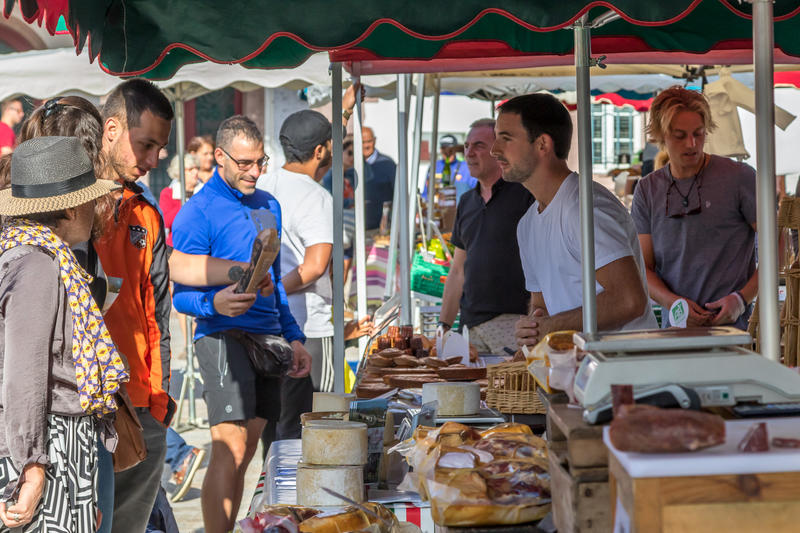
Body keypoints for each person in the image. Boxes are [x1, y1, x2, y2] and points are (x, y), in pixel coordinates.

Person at [171, 115, 312, 533]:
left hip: (267, 337)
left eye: (260, 162)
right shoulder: (196, 211)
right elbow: (178, 293)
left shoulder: (270, 205)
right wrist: (213, 301)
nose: (254, 171)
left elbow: (277, 279)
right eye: (244, 163)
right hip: (219, 334)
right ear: (219, 156)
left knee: (248, 446)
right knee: (229, 444)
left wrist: (295, 336)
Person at [0, 136, 124, 532]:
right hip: (48, 445)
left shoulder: (25, 253)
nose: (95, 209)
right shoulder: (37, 266)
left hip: (54, 444)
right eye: (90, 199)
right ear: (71, 205)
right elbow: (25, 378)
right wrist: (32, 470)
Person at [492, 94, 656, 348]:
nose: (495, 150)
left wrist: (549, 327)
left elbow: (629, 300)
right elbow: (541, 306)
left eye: (506, 138)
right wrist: (533, 332)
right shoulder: (527, 223)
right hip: (575, 375)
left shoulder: (584, 207)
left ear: (542, 144)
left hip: (623, 375)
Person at [94, 78, 176, 533]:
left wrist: (159, 401)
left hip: (144, 403)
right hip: (89, 407)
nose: (153, 160)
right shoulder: (71, 208)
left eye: (160, 148)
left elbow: (156, 312)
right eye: (146, 145)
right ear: (111, 129)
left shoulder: (145, 212)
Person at [631, 86, 758, 329]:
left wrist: (741, 299)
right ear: (660, 136)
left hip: (734, 332)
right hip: (675, 332)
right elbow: (643, 268)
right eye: (680, 136)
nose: (692, 144)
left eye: (698, 134)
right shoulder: (647, 189)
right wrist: (673, 303)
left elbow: (778, 244)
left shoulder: (739, 177)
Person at [260, 109, 336, 446]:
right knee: (311, 427)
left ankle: (271, 496)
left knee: (272, 428)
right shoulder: (317, 196)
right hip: (307, 327)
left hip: (265, 324)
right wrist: (275, 291)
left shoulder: (264, 183)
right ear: (320, 151)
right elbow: (315, 266)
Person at [438, 119, 534, 354]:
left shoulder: (526, 195)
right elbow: (458, 270)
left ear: (499, 151)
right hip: (469, 326)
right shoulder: (467, 202)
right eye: (467, 146)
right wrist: (443, 328)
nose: (469, 153)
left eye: (479, 145)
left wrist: (532, 322)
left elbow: (543, 265)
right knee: (467, 391)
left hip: (512, 322)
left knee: (514, 391)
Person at [159, 153, 200, 246]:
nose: (196, 172)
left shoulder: (205, 191)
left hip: (199, 246)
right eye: (190, 169)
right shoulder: (168, 193)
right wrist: (185, 204)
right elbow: (165, 221)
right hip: (176, 245)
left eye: (197, 168)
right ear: (179, 172)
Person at [424, 133, 478, 203]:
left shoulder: (466, 167)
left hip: (460, 212)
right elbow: (425, 193)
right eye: (445, 150)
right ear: (440, 150)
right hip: (438, 211)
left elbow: (477, 192)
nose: (448, 154)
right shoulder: (434, 167)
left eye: (451, 150)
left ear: (456, 150)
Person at [362, 126, 397, 231]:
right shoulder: (350, 165)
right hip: (356, 227)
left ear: (374, 141)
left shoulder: (388, 164)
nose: (366, 146)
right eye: (362, 142)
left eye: (369, 141)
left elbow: (399, 195)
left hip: (382, 229)